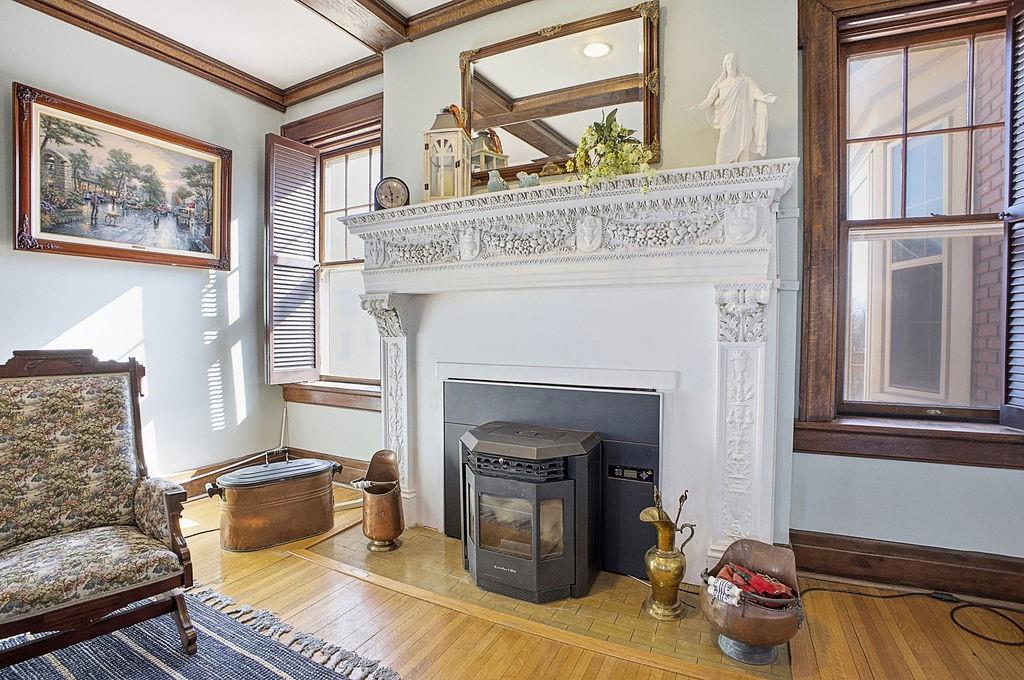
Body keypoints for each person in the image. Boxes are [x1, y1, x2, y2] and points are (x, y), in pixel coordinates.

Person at [693, 53, 777, 164]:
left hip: (742, 119)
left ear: (737, 65)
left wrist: (763, 97)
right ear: (725, 66)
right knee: (723, 142)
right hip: (727, 119)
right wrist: (699, 107)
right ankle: (720, 170)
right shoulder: (721, 84)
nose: (731, 66)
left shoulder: (745, 81)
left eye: (733, 63)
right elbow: (709, 100)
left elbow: (755, 92)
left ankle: (743, 170)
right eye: (728, 64)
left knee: (743, 144)